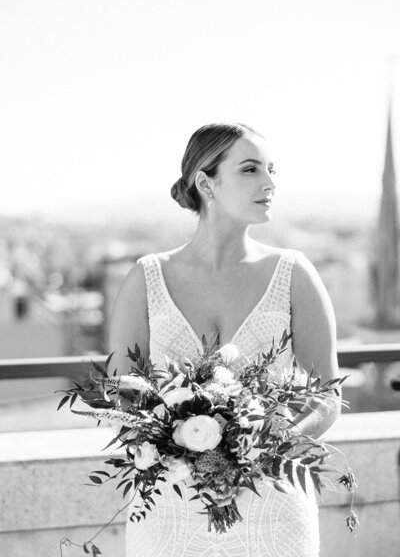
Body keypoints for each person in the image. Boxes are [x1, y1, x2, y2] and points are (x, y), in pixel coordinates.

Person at [109, 122, 340, 557]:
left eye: (272, 169)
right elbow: (121, 395)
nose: (270, 183)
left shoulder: (295, 274)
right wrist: (174, 443)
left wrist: (266, 448)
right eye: (251, 170)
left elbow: (326, 396)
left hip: (273, 502)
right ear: (205, 182)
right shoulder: (146, 278)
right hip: (170, 508)